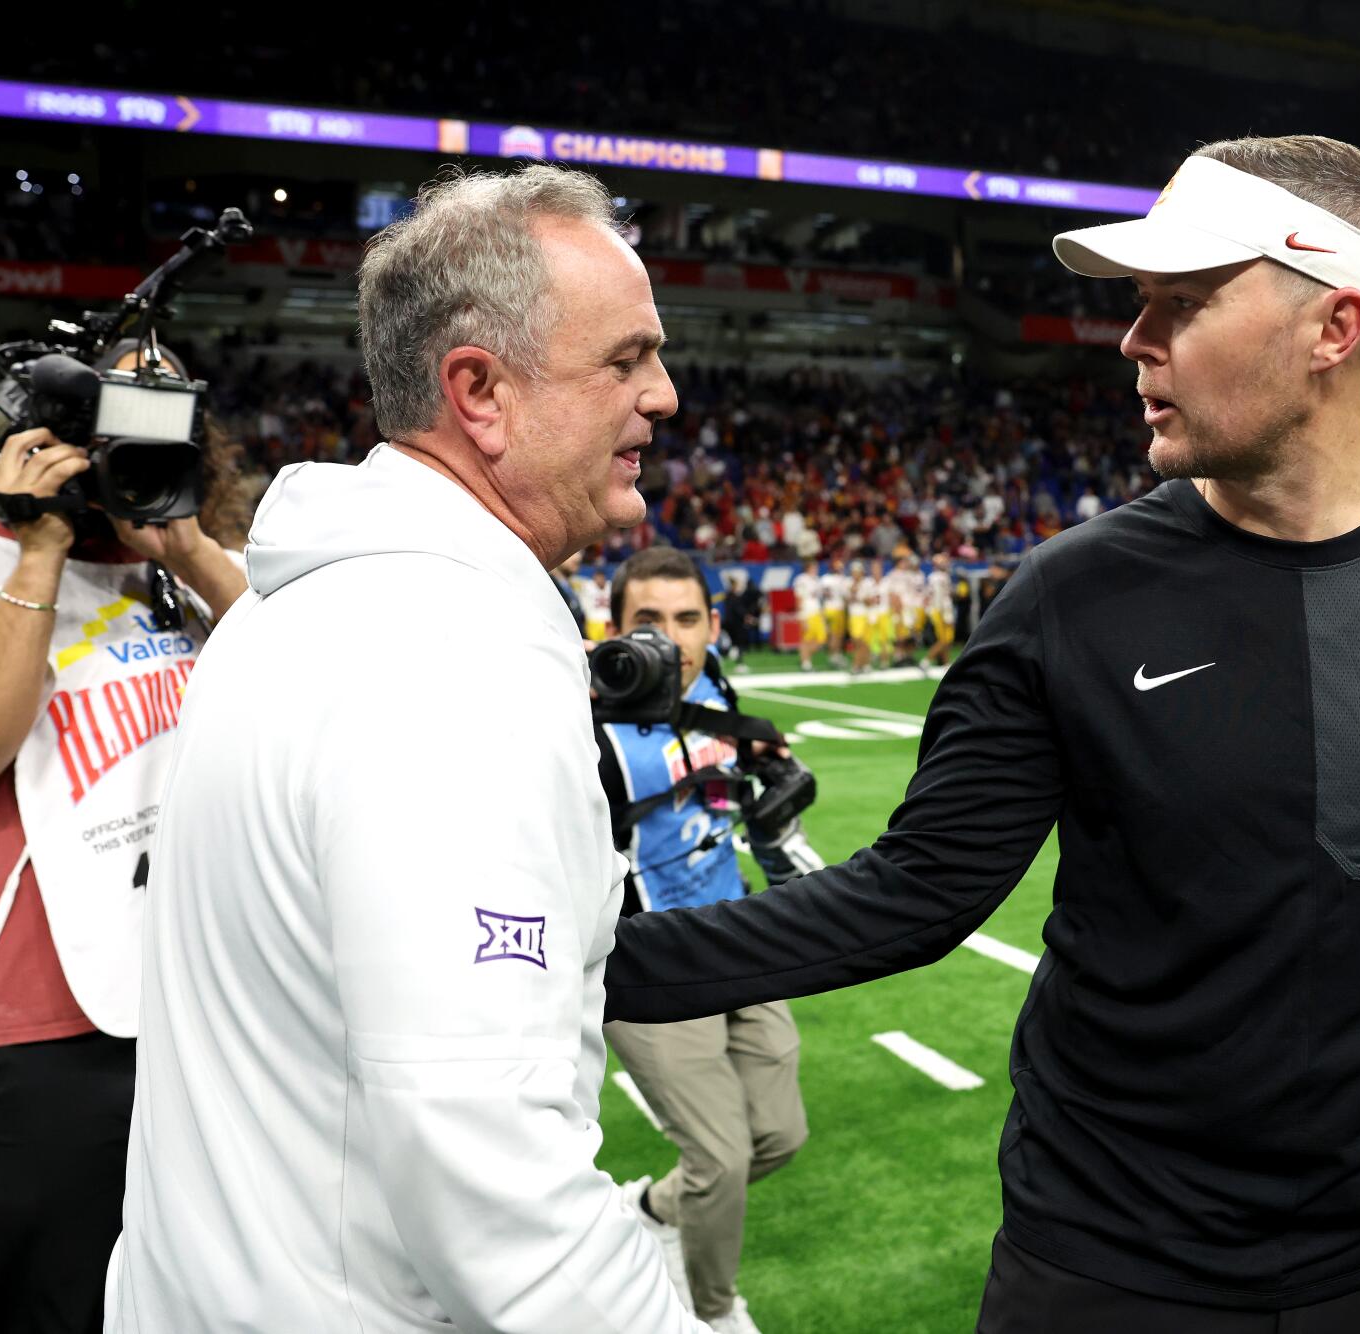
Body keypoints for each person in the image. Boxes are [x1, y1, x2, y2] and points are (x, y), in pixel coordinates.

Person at [605, 135, 1360, 1332]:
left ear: (1333, 327)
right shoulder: (1067, 594)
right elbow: (914, 891)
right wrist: (583, 965)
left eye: (1182, 302)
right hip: (1107, 1257)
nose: (1132, 340)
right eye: (1138, 305)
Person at [105, 165, 706, 1333]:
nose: (665, 394)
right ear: (478, 391)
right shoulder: (448, 660)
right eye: (625, 358)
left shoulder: (291, 605)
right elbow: (485, 1166)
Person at [0, 345, 248, 1334]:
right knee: (58, 1305)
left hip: (191, 997)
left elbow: (304, 672)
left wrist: (186, 542)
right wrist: (38, 543)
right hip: (34, 1024)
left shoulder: (177, 570)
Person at [595, 546, 818, 1334]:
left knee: (780, 1136)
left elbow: (727, 778)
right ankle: (712, 1313)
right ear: (611, 629)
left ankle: (653, 1210)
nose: (670, 640)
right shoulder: (582, 723)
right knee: (719, 1160)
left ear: (713, 626)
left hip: (737, 935)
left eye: (687, 619)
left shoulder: (714, 681)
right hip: (650, 961)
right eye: (646, 622)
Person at [793, 560, 825, 670]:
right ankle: (806, 663)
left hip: (816, 613)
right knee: (807, 639)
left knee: (821, 639)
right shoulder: (801, 579)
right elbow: (799, 598)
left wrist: (821, 613)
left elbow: (817, 599)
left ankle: (804, 658)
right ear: (808, 567)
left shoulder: (816, 580)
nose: (816, 569)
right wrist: (801, 616)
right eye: (814, 567)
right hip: (807, 613)